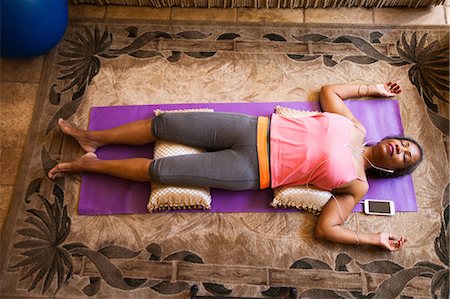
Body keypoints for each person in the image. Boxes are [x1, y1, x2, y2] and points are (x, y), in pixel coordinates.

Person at [48, 82, 423, 251]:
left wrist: (373, 240)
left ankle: (89, 166)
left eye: (405, 156)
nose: (400, 148)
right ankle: (93, 139)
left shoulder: (358, 185)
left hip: (250, 168)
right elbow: (330, 92)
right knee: (165, 124)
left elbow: (327, 228)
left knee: (162, 172)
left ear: (393, 171)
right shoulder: (356, 125)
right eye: (405, 143)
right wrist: (371, 87)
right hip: (249, 127)